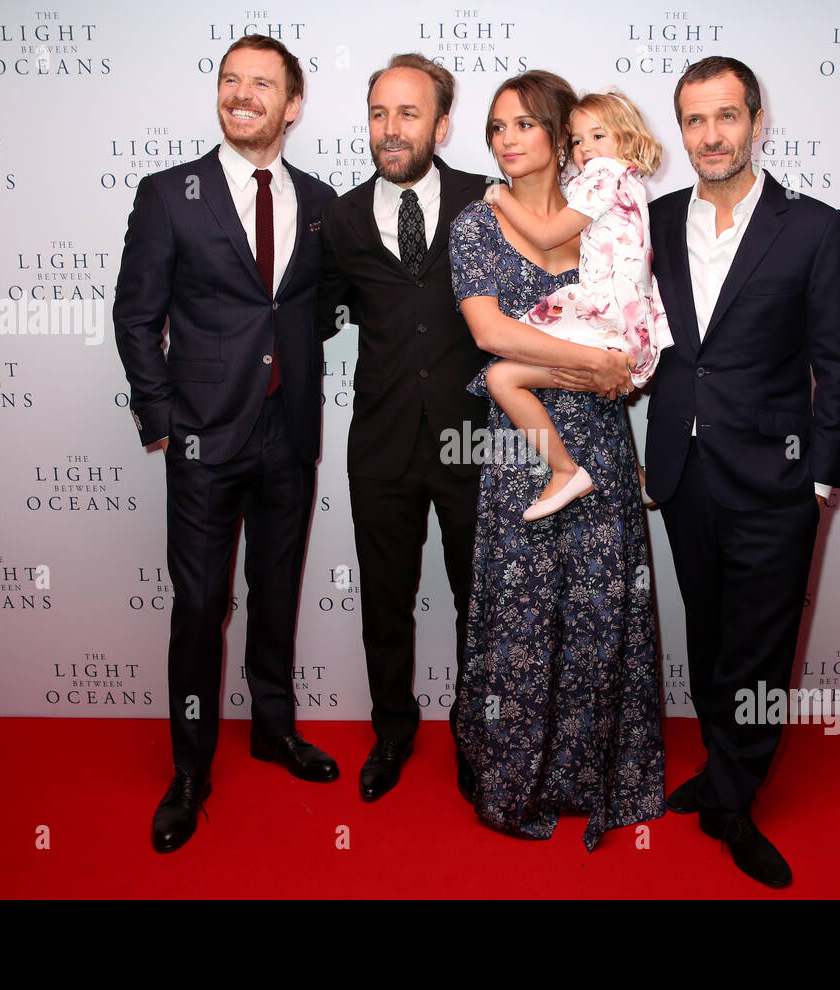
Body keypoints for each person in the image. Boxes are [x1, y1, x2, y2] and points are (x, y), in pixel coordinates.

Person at [612, 55, 840, 886]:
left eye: (726, 117)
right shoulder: (650, 221)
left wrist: (821, 476)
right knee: (714, 633)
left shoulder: (814, 226)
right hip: (684, 467)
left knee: (761, 648)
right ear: (679, 129)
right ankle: (722, 769)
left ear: (756, 121)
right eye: (693, 120)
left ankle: (735, 796)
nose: (710, 135)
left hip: (777, 479)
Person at [113, 34, 340, 854]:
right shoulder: (171, 193)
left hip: (289, 433)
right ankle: (190, 768)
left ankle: (273, 731)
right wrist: (166, 419)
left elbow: (319, 309)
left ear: (293, 105)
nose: (241, 95)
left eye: (261, 84)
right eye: (229, 81)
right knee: (202, 606)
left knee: (276, 591)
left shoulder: (319, 201)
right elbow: (136, 316)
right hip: (204, 440)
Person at [449, 70, 666, 851]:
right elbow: (490, 335)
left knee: (600, 611)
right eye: (495, 127)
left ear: (557, 132)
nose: (507, 139)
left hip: (601, 442)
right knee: (523, 613)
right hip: (524, 451)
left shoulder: (602, 211)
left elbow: (635, 314)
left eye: (523, 126)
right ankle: (516, 776)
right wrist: (590, 367)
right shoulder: (477, 224)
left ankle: (596, 777)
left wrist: (610, 371)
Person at [318, 54, 491, 803]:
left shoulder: (488, 203)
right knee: (385, 599)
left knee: (476, 599)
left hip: (474, 438)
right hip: (381, 441)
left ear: (441, 125)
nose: (392, 130)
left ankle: (475, 735)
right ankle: (393, 730)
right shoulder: (343, 218)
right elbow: (311, 313)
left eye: (409, 114)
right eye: (379, 114)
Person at [481, 89, 673, 521]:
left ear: (625, 139)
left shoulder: (603, 177)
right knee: (506, 373)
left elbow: (548, 235)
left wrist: (501, 198)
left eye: (598, 136)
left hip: (609, 324)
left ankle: (565, 469)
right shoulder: (626, 182)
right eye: (578, 141)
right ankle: (603, 471)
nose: (586, 150)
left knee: (502, 376)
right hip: (625, 331)